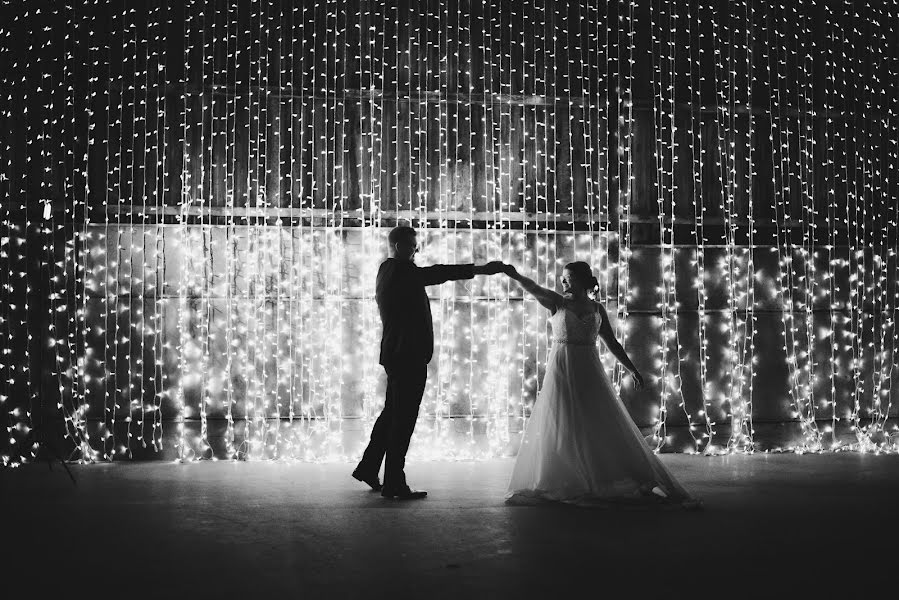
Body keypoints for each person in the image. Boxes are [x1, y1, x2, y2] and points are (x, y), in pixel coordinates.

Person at [504, 261, 700, 508]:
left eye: (568, 278)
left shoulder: (597, 309)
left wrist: (632, 369)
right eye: (562, 277)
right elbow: (534, 288)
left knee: (595, 419)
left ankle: (601, 473)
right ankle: (567, 476)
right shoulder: (557, 303)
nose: (563, 281)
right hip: (563, 369)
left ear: (582, 281)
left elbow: (612, 343)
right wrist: (515, 275)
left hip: (589, 369)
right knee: (563, 419)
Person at [352, 225, 508, 500]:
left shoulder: (386, 270)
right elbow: (439, 272)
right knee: (403, 420)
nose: (417, 250)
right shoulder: (403, 272)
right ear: (400, 246)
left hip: (395, 354)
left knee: (391, 414)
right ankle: (393, 483)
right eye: (414, 245)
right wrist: (482, 269)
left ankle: (369, 467)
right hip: (408, 355)